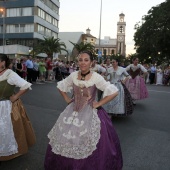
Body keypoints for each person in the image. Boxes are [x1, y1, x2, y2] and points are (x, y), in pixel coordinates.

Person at [44, 51, 123, 170]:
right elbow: (61, 86)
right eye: (80, 60)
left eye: (86, 60)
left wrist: (98, 103)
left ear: (91, 62)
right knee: (66, 137)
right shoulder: (73, 75)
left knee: (90, 141)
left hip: (90, 112)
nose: (83, 62)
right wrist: (66, 98)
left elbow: (113, 91)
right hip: (72, 111)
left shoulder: (96, 77)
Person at [0, 54, 36, 161]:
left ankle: (6, 152)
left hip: (4, 106)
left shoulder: (10, 74)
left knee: (4, 129)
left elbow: (26, 85)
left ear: (3, 62)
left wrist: (15, 96)